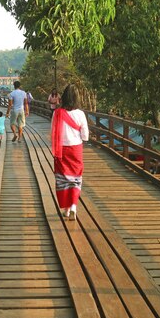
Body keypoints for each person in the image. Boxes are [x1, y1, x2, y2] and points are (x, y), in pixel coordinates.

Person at [51, 84, 89, 221]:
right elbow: (85, 136)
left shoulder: (57, 113)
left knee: (63, 179)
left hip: (61, 149)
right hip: (75, 150)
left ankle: (66, 210)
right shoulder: (80, 114)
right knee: (76, 178)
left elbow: (53, 132)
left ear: (64, 97)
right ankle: (73, 206)